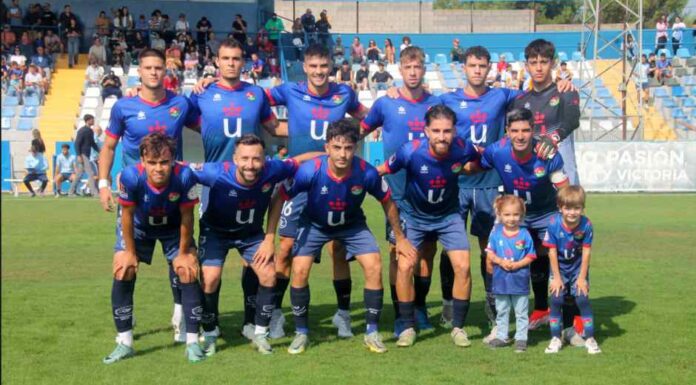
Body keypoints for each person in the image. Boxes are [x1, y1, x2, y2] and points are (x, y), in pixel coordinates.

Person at [276, 119, 412, 354]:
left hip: (352, 224)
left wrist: (399, 238)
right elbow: (280, 196)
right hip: (315, 224)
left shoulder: (366, 172)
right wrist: (269, 237)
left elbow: (387, 201)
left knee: (374, 264)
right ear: (327, 147)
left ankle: (371, 331)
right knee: (299, 269)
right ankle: (301, 333)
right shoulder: (310, 170)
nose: (343, 154)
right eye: (337, 147)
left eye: (348, 148)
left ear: (355, 148)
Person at [265, 44, 369, 339]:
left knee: (339, 248)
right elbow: (252, 97)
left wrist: (351, 141)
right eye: (314, 66)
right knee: (284, 249)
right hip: (298, 181)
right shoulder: (289, 91)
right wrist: (275, 128)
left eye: (324, 66)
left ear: (331, 67)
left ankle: (344, 315)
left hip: (337, 180)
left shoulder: (344, 94)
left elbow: (368, 117)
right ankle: (275, 314)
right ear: (305, 68)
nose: (319, 72)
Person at [99, 49, 200, 343]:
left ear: (165, 72)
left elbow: (207, 128)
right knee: (125, 265)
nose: (154, 72)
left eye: (159, 68)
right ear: (139, 72)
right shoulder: (123, 106)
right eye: (148, 67)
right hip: (135, 198)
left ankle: (181, 315)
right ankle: (124, 340)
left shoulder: (180, 104)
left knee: (182, 262)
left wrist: (205, 87)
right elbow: (108, 146)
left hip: (172, 195)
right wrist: (104, 183)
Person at [187, 39, 284, 340]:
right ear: (216, 61)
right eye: (225, 58)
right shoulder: (202, 94)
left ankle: (250, 321)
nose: (231, 63)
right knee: (211, 270)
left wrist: (314, 131)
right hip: (216, 184)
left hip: (253, 184)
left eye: (236, 58)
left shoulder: (255, 94)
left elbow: (274, 128)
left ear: (244, 62)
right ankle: (207, 324)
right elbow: (174, 115)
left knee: (252, 260)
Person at [191, 135, 313, 355]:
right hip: (215, 233)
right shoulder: (215, 172)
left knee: (268, 274)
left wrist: (331, 157)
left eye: (256, 159)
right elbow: (179, 170)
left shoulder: (273, 170)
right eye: (245, 158)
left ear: (264, 160)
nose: (250, 165)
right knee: (209, 278)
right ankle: (209, 332)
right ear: (235, 159)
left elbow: (302, 160)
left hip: (251, 235)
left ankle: (259, 334)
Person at [377, 105, 479, 348]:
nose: (441, 136)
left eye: (446, 131)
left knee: (463, 267)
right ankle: (407, 326)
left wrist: (471, 167)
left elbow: (482, 158)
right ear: (426, 131)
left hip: (449, 216)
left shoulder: (463, 147)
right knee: (405, 265)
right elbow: (380, 171)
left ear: (454, 131)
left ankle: (458, 327)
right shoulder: (410, 152)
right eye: (436, 131)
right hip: (414, 217)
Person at [360, 46, 442, 335]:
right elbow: (359, 129)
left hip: (431, 191)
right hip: (397, 193)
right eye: (407, 67)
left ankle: (419, 307)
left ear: (424, 69)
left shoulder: (436, 105)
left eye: (418, 67)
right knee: (399, 252)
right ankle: (400, 314)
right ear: (400, 70)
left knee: (427, 253)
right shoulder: (386, 103)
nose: (413, 72)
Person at [102, 133, 204, 364]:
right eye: (152, 163)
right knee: (123, 268)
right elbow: (126, 216)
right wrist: (129, 251)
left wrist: (183, 252)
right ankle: (124, 342)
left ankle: (192, 342)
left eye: (164, 162)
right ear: (143, 161)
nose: (159, 168)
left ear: (173, 160)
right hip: (139, 228)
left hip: (173, 227)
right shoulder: (130, 176)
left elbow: (187, 217)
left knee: (188, 269)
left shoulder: (186, 176)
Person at [474, 107, 572, 338]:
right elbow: (476, 163)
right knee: (497, 262)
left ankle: (564, 323)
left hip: (546, 212)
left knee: (562, 258)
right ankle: (499, 324)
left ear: (534, 131)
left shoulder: (547, 154)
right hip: (515, 216)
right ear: (507, 131)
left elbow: (564, 189)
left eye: (526, 130)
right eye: (515, 130)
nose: (520, 136)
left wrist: (569, 222)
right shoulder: (497, 151)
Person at [512, 39, 581, 187]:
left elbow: (573, 120)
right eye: (533, 63)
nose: (538, 68)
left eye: (543, 62)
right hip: (533, 176)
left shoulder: (565, 91)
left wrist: (554, 137)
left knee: (570, 208)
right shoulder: (520, 101)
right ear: (526, 66)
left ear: (553, 63)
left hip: (563, 175)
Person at [543, 186, 601, 355]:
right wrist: (556, 278)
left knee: (582, 299)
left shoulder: (586, 224)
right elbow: (551, 251)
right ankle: (555, 338)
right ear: (560, 208)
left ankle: (590, 338)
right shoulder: (553, 224)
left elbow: (587, 251)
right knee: (556, 299)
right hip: (559, 268)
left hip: (577, 268)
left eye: (577, 208)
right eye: (568, 208)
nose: (572, 212)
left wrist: (582, 278)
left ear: (582, 208)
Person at [484, 195, 536, 352]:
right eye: (507, 214)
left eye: (515, 214)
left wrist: (517, 264)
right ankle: (502, 336)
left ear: (521, 215)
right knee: (502, 309)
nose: (511, 218)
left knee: (521, 312)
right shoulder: (496, 233)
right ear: (499, 214)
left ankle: (521, 338)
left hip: (519, 280)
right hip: (501, 280)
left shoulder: (525, 234)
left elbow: (531, 255)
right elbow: (489, 254)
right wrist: (500, 262)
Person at [72, 114, 100, 196]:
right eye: (92, 119)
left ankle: (71, 191)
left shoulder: (90, 131)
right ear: (88, 120)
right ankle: (95, 193)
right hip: (83, 155)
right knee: (91, 173)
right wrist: (78, 155)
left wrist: (100, 151)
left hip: (86, 155)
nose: (93, 121)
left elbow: (92, 143)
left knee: (79, 174)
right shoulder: (82, 131)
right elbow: (77, 143)